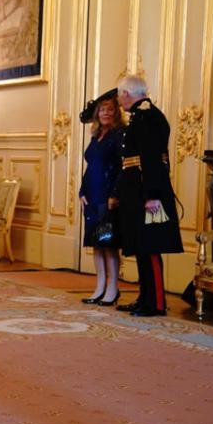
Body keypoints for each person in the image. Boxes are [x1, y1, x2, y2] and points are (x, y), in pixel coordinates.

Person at [110, 75, 183, 317]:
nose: (119, 101)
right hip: (136, 192)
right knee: (141, 246)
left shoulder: (148, 116)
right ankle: (145, 298)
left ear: (127, 94)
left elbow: (151, 160)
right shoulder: (140, 116)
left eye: (120, 95)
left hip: (147, 193)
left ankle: (157, 303)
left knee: (150, 248)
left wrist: (151, 195)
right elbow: (131, 162)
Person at [78, 88, 124, 306]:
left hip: (107, 198)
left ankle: (113, 288)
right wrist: (81, 192)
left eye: (110, 110)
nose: (105, 113)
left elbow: (122, 169)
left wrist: (115, 195)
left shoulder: (118, 135)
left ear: (116, 113)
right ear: (97, 114)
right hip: (92, 197)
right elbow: (91, 167)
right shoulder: (97, 136)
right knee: (96, 244)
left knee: (108, 244)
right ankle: (99, 286)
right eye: (102, 110)